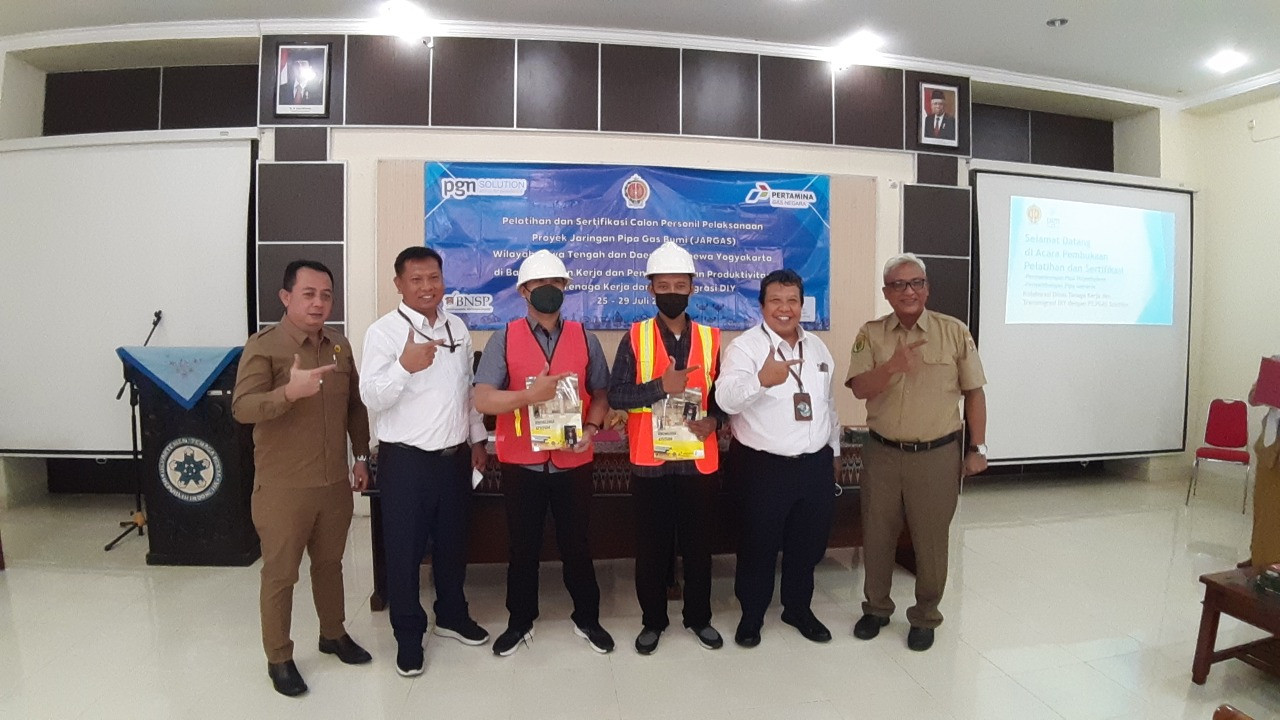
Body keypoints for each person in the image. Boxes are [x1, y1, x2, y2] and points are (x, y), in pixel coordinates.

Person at [231, 259, 372, 697]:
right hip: (283, 488)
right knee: (281, 574)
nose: (318, 303)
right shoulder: (266, 347)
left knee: (330, 564)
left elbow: (355, 407)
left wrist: (361, 457)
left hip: (333, 484)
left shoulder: (338, 346)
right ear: (286, 297)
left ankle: (333, 633)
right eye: (308, 294)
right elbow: (242, 408)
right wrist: (288, 392)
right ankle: (279, 656)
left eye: (326, 295)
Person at [473, 250, 617, 656]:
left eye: (556, 283)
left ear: (566, 288)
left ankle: (587, 618)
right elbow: (482, 399)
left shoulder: (585, 337)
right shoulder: (504, 338)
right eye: (540, 284)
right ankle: (520, 621)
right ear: (524, 291)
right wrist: (528, 396)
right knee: (523, 547)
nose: (549, 290)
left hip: (574, 459)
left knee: (578, 544)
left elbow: (601, 394)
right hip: (523, 463)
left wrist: (592, 428)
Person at [845, 253, 987, 652]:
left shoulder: (953, 331)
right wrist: (892, 366)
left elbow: (975, 393)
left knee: (931, 540)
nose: (908, 291)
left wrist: (977, 448)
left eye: (916, 283)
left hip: (937, 455)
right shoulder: (871, 333)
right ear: (886, 292)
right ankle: (876, 608)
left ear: (927, 288)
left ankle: (925, 615)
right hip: (883, 452)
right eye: (899, 285)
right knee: (877, 534)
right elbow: (859, 389)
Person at [359, 246, 490, 677]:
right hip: (406, 462)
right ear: (399, 284)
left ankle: (451, 615)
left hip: (454, 458)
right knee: (404, 551)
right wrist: (404, 366)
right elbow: (371, 396)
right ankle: (408, 636)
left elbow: (467, 391)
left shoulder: (458, 327)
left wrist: (477, 439)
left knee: (453, 544)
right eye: (416, 279)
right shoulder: (383, 333)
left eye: (433, 277)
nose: (427, 287)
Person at [607, 241, 727, 655]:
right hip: (650, 462)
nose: (672, 292)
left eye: (680, 285)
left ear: (692, 287)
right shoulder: (635, 336)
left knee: (698, 547)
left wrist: (716, 421)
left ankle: (699, 618)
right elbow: (617, 394)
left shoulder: (712, 338)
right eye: (663, 286)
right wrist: (661, 386)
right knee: (651, 549)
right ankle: (653, 622)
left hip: (698, 460)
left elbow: (725, 399)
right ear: (651, 290)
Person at [716, 269, 841, 648]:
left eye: (792, 301)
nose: (784, 308)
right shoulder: (745, 348)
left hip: (814, 464)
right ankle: (751, 616)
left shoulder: (817, 348)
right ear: (762, 306)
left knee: (808, 544)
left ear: (802, 305)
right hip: (763, 468)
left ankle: (797, 609)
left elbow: (827, 404)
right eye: (775, 301)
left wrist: (834, 451)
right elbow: (725, 399)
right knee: (758, 546)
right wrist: (761, 380)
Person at [1248, 379, 1280, 568]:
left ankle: (1271, 562)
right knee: (1262, 505)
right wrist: (1265, 392)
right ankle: (1258, 555)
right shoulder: (1276, 367)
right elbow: (1252, 398)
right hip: (1270, 444)